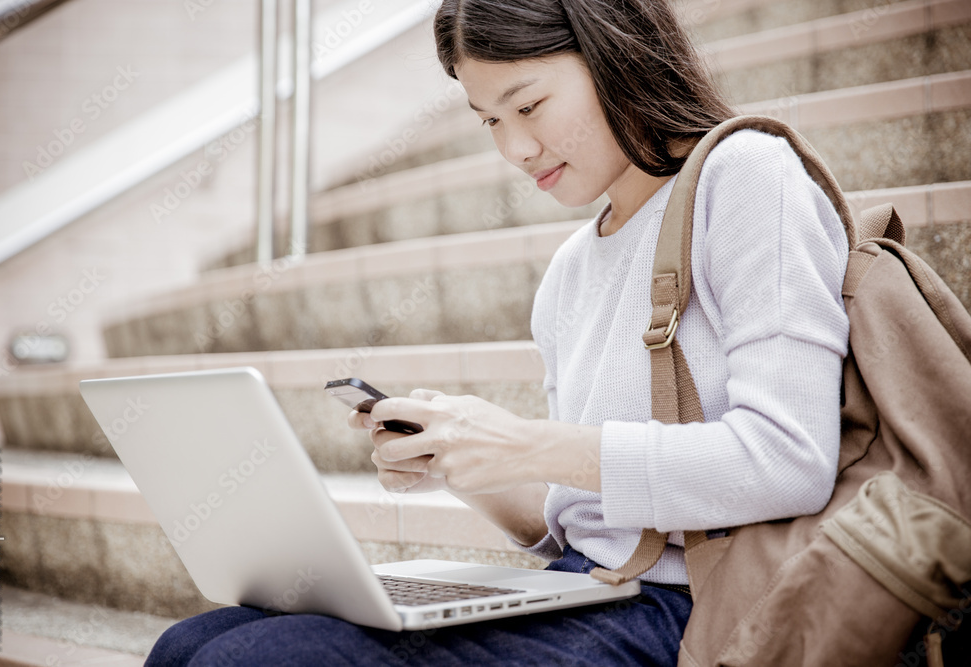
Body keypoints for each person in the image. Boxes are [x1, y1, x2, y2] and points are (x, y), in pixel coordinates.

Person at [145, 0, 849, 664]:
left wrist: (526, 442)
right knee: (191, 642)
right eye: (488, 120)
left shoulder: (746, 175)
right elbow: (570, 524)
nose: (514, 146)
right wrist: (462, 459)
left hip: (693, 606)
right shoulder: (571, 271)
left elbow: (789, 459)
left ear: (615, 53)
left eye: (529, 104)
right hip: (590, 584)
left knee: (252, 659)